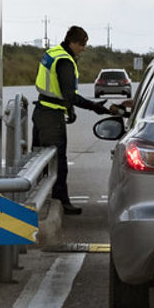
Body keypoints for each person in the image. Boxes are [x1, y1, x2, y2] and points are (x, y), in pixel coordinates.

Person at [32, 26, 113, 215]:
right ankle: (62, 201)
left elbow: (59, 91)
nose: (83, 48)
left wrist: (69, 109)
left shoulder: (53, 53)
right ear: (72, 42)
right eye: (82, 44)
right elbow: (69, 95)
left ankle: (41, 198)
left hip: (42, 111)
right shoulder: (65, 61)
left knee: (40, 159)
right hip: (52, 117)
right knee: (58, 161)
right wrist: (95, 107)